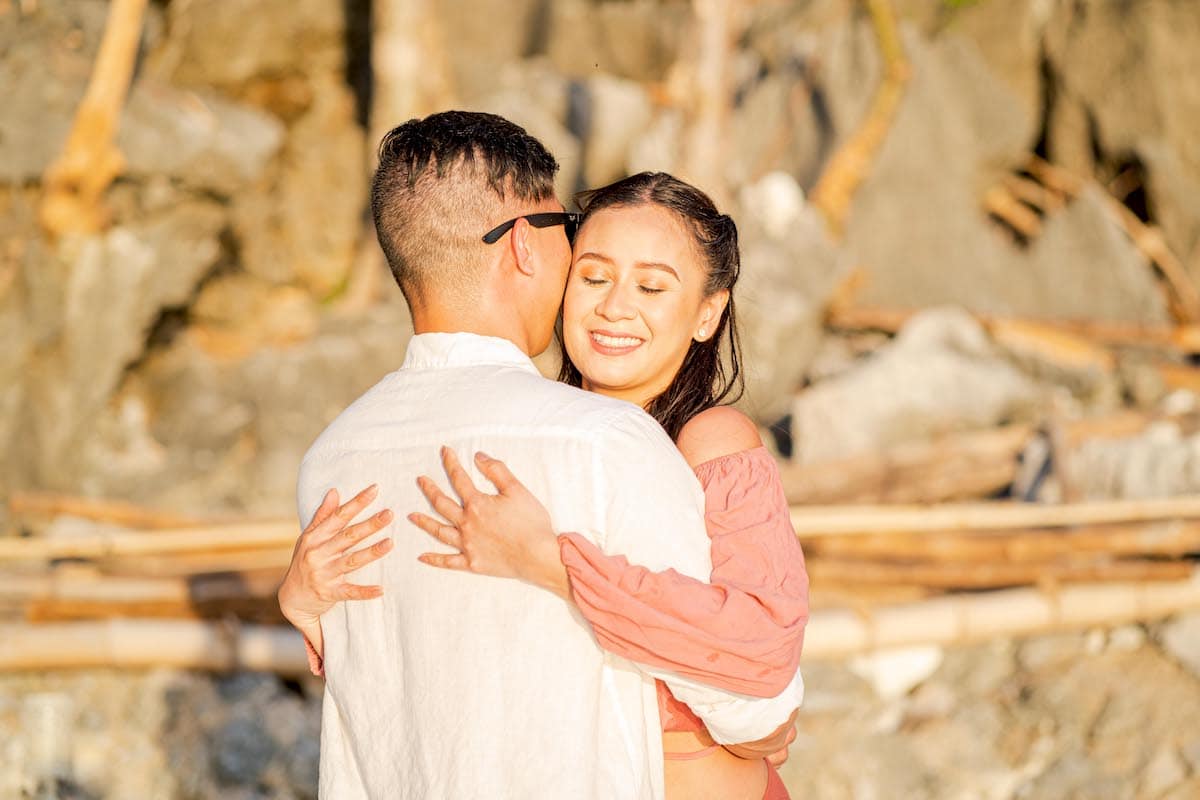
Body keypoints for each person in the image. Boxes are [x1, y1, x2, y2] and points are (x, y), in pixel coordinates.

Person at [280, 112, 803, 800]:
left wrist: (559, 566)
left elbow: (763, 689)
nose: (617, 308)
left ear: (706, 313)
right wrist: (304, 604)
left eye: (652, 287)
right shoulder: (566, 434)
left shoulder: (706, 440)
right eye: (592, 275)